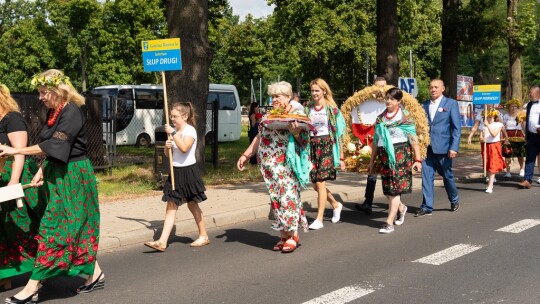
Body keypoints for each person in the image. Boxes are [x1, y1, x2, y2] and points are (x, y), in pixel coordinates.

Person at [0, 69, 104, 303]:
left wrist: (16, 150)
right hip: (58, 173)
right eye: (40, 92)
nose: (40, 97)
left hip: (75, 176)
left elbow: (55, 145)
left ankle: (32, 288)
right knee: (70, 226)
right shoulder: (53, 112)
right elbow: (53, 148)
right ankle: (95, 274)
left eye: (44, 92)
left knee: (52, 228)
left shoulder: (72, 112)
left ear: (59, 90)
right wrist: (41, 170)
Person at [237, 81, 310, 253]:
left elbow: (304, 141)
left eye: (278, 96)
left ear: (288, 97)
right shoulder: (270, 115)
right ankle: (283, 235)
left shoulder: (296, 113)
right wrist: (246, 155)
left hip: (286, 163)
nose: (274, 99)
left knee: (288, 197)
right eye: (273, 96)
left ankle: (292, 235)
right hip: (269, 165)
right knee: (276, 199)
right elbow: (259, 137)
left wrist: (296, 132)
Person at [144, 102, 209, 251]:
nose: (172, 119)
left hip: (188, 172)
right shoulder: (175, 132)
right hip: (175, 172)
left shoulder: (189, 131)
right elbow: (170, 155)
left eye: (175, 116)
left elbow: (185, 148)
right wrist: (167, 148)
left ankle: (203, 235)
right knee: (171, 206)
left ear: (185, 116)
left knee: (192, 204)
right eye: (171, 116)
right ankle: (162, 241)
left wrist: (173, 134)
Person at [0, 84, 42, 292]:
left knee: (23, 225)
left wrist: (14, 180)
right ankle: (5, 277)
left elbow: (19, 152)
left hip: (15, 177)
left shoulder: (12, 118)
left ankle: (40, 269)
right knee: (4, 229)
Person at [368, 87, 422, 233]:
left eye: (392, 99)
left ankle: (389, 222)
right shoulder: (380, 118)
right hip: (384, 154)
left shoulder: (405, 118)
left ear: (398, 101)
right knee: (387, 190)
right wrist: (372, 161)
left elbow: (413, 139)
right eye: (387, 98)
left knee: (394, 191)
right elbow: (375, 141)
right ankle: (401, 208)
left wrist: (418, 160)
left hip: (400, 155)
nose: (388, 101)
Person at [305, 78, 346, 230]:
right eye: (312, 90)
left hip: (327, 145)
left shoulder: (331, 109)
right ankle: (336, 204)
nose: (314, 93)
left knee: (321, 183)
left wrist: (341, 156)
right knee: (316, 185)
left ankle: (319, 219)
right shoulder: (308, 108)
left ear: (324, 91)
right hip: (312, 147)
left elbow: (340, 134)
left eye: (317, 90)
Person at [416, 79, 461, 216]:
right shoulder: (424, 105)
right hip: (427, 149)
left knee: (447, 176)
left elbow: (456, 128)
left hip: (443, 148)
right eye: (431, 87)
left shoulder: (451, 103)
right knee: (426, 177)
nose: (433, 89)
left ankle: (454, 199)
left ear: (443, 88)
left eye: (436, 87)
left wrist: (454, 147)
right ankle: (427, 206)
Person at [357, 76, 388, 214]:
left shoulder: (390, 101)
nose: (381, 89)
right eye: (378, 86)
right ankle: (368, 202)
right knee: (372, 173)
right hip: (373, 142)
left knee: (389, 175)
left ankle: (397, 205)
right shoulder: (367, 102)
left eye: (384, 85)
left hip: (387, 143)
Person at [518, 85, 540, 189]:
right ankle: (527, 180)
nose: (529, 94)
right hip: (531, 136)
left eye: (531, 92)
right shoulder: (530, 104)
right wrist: (526, 134)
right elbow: (528, 118)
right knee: (530, 158)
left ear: (537, 93)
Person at [481, 109, 506, 193]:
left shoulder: (498, 124)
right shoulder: (483, 126)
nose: (488, 119)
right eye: (486, 117)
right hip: (486, 146)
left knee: (492, 164)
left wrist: (488, 125)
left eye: (490, 117)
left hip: (494, 145)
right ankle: (490, 181)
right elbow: (481, 137)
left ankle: (490, 186)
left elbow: (494, 134)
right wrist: (481, 139)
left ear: (494, 117)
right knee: (487, 164)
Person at [502, 99, 525, 178]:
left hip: (518, 133)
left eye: (515, 106)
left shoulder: (520, 115)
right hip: (508, 134)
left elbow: (523, 127)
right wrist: (504, 137)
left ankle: (522, 169)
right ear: (509, 107)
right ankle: (508, 172)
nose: (514, 108)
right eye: (512, 106)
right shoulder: (506, 116)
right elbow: (503, 127)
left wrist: (522, 121)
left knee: (520, 153)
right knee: (507, 153)